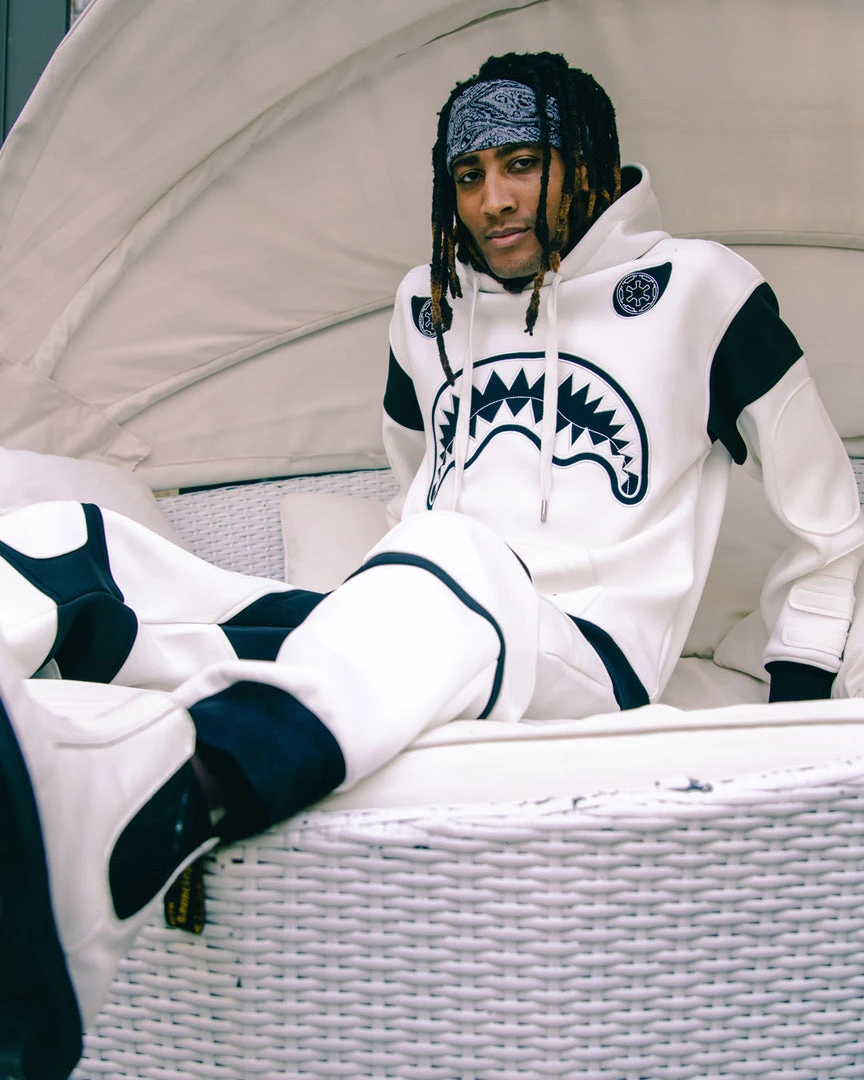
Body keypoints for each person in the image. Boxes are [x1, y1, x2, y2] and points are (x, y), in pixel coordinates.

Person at [1, 50, 862, 1080]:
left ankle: (146, 808)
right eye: (468, 175)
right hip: (427, 607)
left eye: (522, 163)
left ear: (586, 163)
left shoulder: (703, 293)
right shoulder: (425, 309)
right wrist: (374, 603)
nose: (492, 200)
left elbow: (832, 530)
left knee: (449, 553)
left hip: (588, 656)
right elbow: (418, 483)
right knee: (81, 544)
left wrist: (793, 711)